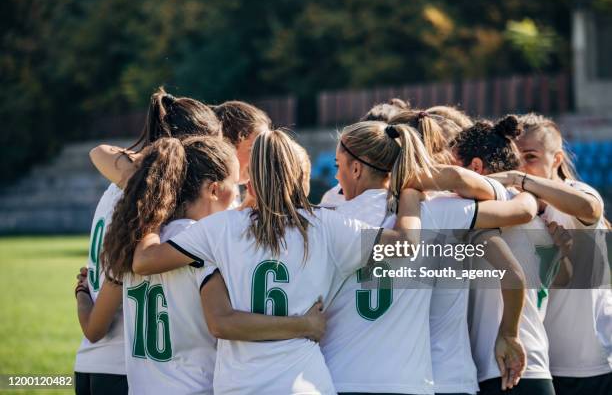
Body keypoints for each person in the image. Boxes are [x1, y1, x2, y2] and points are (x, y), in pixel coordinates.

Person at [131, 129, 425, 394]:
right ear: (301, 175)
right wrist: (411, 190)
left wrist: (155, 210)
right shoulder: (328, 226)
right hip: (304, 383)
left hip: (240, 385)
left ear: (252, 178)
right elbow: (406, 243)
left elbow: (144, 261)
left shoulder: (221, 227)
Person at [92, 135, 326, 395]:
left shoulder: (139, 241)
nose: (241, 195)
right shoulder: (203, 244)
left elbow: (93, 325)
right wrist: (304, 325)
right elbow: (223, 322)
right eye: (236, 188)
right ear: (214, 190)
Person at [321, 118, 530, 395]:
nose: (337, 177)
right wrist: (520, 181)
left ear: (356, 168)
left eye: (339, 167)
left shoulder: (328, 215)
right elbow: (523, 209)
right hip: (417, 381)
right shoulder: (436, 210)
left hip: (340, 376)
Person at [73, 87, 221, 395]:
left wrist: (82, 297)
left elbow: (100, 152)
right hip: (123, 366)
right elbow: (108, 303)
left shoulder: (124, 187)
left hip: (96, 363)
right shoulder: (153, 207)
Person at [489, 113, 612, 395]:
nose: (521, 165)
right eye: (515, 157)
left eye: (530, 156)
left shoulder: (573, 193)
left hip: (590, 364)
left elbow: (590, 208)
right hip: (542, 365)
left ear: (556, 160)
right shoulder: (513, 207)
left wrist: (519, 180)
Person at [453, 115, 562, 395]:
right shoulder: (535, 213)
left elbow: (514, 276)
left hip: (503, 368)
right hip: (533, 366)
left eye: (455, 168)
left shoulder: (486, 212)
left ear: (475, 167)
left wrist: (508, 333)